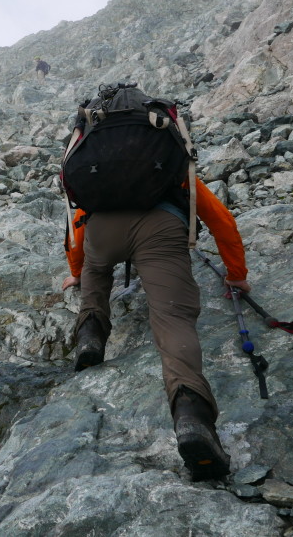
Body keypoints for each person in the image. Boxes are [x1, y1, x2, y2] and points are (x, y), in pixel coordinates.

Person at [62, 177, 250, 481]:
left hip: (101, 235)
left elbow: (78, 224)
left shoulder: (98, 164)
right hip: (161, 233)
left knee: (95, 271)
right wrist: (236, 274)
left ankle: (90, 333)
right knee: (173, 319)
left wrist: (76, 271)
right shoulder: (170, 158)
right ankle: (191, 417)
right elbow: (221, 220)